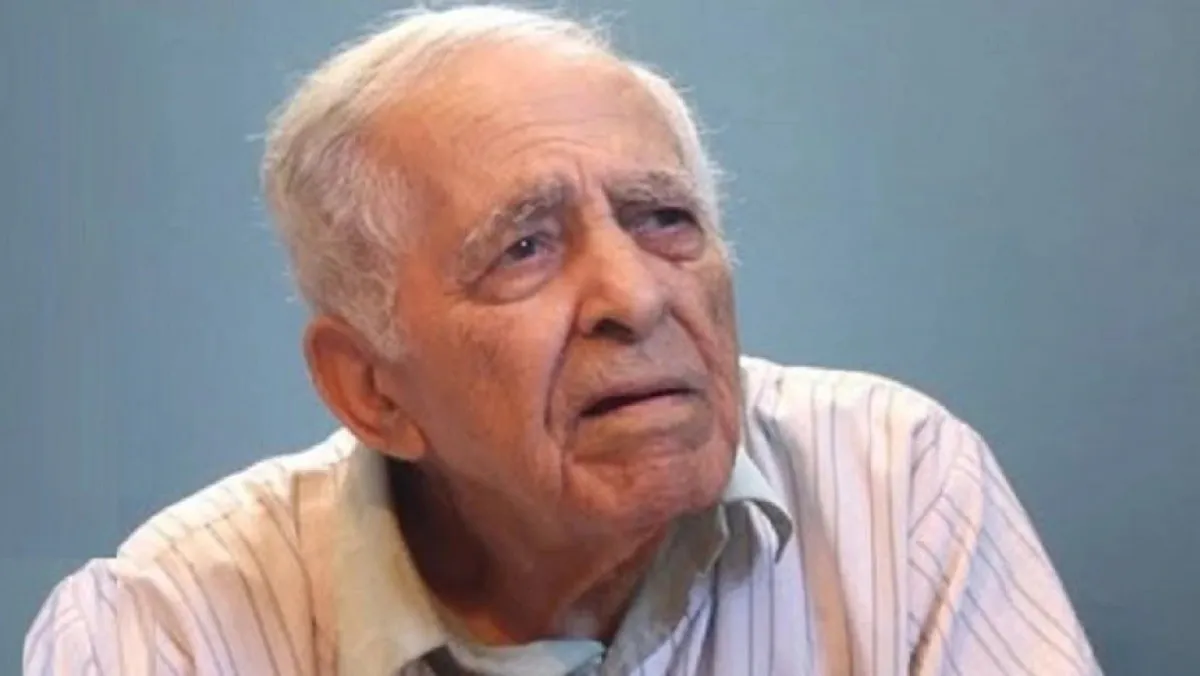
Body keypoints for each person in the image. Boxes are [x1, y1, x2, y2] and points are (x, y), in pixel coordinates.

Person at [24, 5, 1100, 675]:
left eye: (664, 218)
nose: (634, 295)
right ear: (371, 390)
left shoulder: (897, 489)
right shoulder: (165, 630)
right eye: (525, 247)